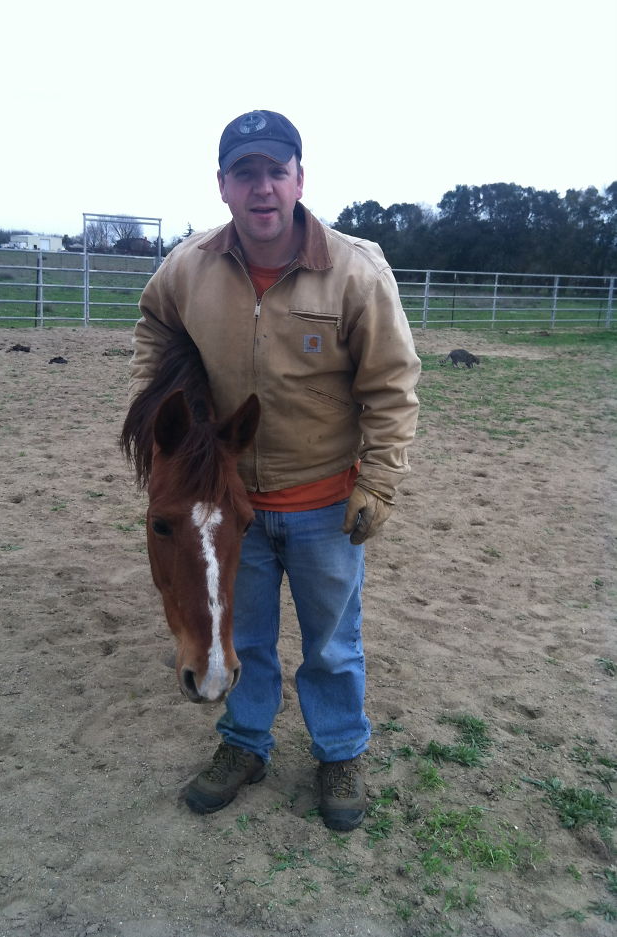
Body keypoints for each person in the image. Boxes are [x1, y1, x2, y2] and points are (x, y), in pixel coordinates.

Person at [127, 109, 420, 831]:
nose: (262, 187)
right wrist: (158, 415)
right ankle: (244, 743)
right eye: (245, 173)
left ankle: (340, 752)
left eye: (275, 171)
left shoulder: (354, 270)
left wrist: (378, 481)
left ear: (299, 180)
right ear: (223, 185)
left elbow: (391, 385)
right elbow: (154, 325)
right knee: (246, 634)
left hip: (325, 499)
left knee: (332, 643)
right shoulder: (188, 266)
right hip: (231, 505)